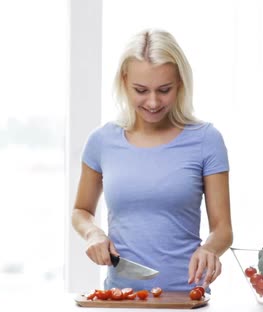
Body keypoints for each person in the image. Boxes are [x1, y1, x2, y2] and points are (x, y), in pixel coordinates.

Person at [71, 29, 233, 293]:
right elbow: (81, 211)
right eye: (141, 90)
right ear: (124, 82)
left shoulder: (207, 140)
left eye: (164, 90)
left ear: (180, 82)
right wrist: (93, 233)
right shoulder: (101, 141)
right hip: (120, 299)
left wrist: (210, 249)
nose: (154, 102)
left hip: (187, 298)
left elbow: (223, 229)